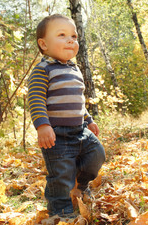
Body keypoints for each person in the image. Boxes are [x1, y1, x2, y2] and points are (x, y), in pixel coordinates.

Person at [27, 14, 106, 218]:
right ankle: (60, 212)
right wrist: (42, 126)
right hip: (57, 135)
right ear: (43, 44)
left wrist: (88, 119)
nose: (71, 40)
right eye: (62, 35)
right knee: (61, 175)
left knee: (97, 154)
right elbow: (35, 99)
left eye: (74, 36)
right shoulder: (43, 70)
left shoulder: (74, 69)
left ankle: (80, 185)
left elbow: (78, 99)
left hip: (80, 131)